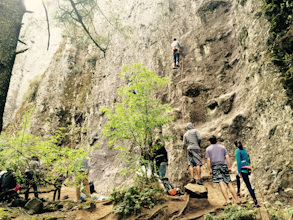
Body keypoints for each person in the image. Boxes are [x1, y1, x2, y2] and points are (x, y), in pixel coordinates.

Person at [206, 136, 240, 206]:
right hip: (224, 166)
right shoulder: (222, 147)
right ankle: (237, 201)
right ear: (216, 140)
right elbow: (227, 157)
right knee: (229, 183)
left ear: (210, 142)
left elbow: (208, 160)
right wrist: (229, 167)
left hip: (215, 166)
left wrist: (209, 169)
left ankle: (228, 201)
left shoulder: (208, 149)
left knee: (221, 184)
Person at [234, 140, 260, 208]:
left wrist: (239, 172)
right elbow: (249, 160)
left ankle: (256, 202)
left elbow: (238, 161)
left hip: (242, 169)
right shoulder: (245, 150)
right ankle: (238, 192)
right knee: (237, 177)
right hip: (247, 168)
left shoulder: (237, 151)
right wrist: (250, 169)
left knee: (248, 186)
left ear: (235, 145)